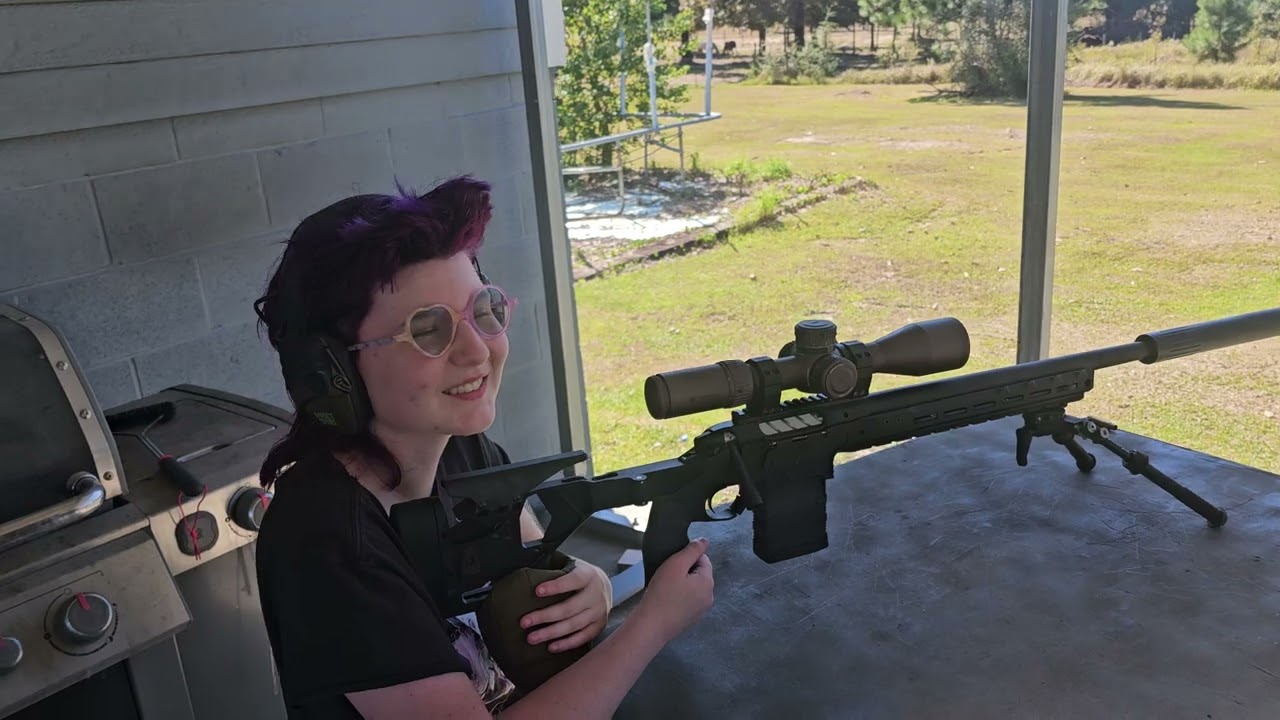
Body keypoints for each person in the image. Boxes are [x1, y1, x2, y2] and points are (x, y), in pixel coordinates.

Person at [251, 175, 715, 719]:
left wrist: (588, 589)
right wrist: (650, 625)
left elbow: (538, 571)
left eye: (483, 310)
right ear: (330, 373)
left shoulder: (460, 452)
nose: (476, 351)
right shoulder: (327, 539)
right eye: (428, 330)